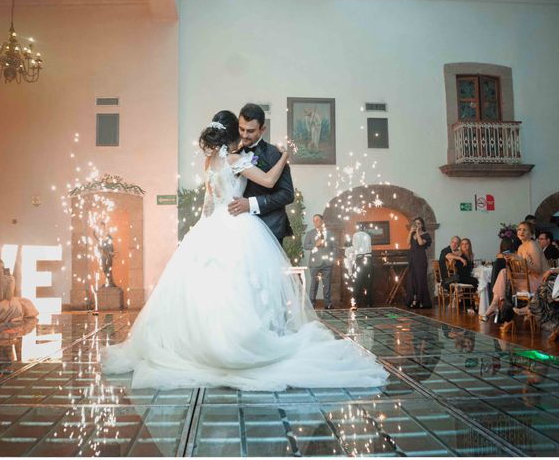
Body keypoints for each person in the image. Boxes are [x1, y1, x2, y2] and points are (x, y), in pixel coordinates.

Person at [101, 111, 388, 391]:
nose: (244, 135)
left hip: (210, 226)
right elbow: (268, 181)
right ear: (233, 133)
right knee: (239, 287)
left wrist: (198, 230)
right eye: (240, 130)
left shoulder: (209, 161)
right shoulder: (234, 159)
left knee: (210, 289)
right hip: (236, 224)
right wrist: (286, 156)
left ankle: (205, 342)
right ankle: (239, 342)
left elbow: (208, 203)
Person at [227, 103, 294, 246]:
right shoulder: (233, 155)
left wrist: (251, 204)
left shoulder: (274, 154)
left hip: (269, 227)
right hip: (239, 228)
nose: (244, 135)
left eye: (250, 131)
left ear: (262, 129)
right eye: (241, 129)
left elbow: (287, 194)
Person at [491, 221, 548, 333]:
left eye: (524, 230)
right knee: (504, 273)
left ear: (531, 234)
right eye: (519, 229)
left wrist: (520, 260)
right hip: (527, 280)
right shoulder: (521, 247)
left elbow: (538, 270)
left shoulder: (532, 244)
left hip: (540, 281)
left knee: (505, 278)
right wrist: (511, 262)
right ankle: (495, 304)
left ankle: (500, 308)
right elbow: (520, 270)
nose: (521, 232)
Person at [303, 214, 336, 309]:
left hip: (327, 264)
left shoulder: (329, 233)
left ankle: (328, 304)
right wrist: (315, 245)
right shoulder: (310, 233)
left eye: (317, 220)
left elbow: (334, 247)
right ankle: (312, 305)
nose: (315, 222)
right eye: (314, 220)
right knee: (314, 285)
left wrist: (332, 258)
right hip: (315, 264)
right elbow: (305, 246)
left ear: (322, 221)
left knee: (327, 285)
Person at [482, 237, 515, 322]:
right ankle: (497, 308)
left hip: (499, 283)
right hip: (510, 282)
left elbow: (494, 276)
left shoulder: (499, 257)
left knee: (492, 284)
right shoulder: (514, 255)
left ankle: (494, 306)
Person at [406, 217, 432, 309]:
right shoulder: (412, 233)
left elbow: (421, 243)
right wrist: (410, 231)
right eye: (415, 223)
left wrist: (417, 232)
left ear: (422, 225)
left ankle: (421, 301)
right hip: (412, 259)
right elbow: (407, 243)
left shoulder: (426, 235)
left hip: (421, 260)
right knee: (412, 281)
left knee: (420, 281)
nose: (417, 225)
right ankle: (413, 299)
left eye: (419, 223)